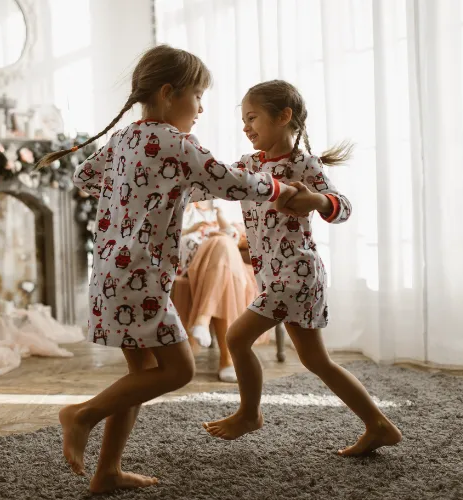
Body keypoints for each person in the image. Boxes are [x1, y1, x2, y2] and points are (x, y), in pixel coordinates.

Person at [35, 46, 298, 493]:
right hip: (142, 276)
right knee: (178, 369)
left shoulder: (123, 140)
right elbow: (234, 183)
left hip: (109, 276)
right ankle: (81, 415)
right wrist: (279, 185)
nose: (201, 108)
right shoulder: (177, 143)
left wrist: (153, 187)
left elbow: (83, 177)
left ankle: (108, 472)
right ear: (169, 92)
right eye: (197, 96)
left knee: (141, 377)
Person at [202, 80, 402, 456]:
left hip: (297, 275)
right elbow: (216, 181)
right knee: (316, 360)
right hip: (274, 277)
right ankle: (379, 425)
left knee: (236, 338)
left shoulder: (304, 165)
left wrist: (316, 200)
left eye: (252, 117)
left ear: (284, 116)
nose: (245, 126)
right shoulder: (248, 165)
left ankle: (249, 413)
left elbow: (342, 206)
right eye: (243, 119)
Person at [175, 200, 259, 382]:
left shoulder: (224, 210)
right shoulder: (183, 209)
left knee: (223, 243)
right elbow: (166, 238)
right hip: (194, 266)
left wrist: (220, 219)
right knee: (222, 252)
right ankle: (227, 361)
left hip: (232, 267)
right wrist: (194, 229)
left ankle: (202, 319)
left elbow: (235, 237)